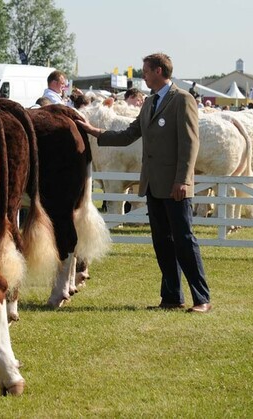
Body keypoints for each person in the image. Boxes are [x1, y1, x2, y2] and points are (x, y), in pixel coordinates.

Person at [76, 52, 212, 313]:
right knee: (162, 241)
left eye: (146, 71)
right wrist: (97, 133)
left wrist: (183, 180)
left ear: (160, 71)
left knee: (184, 240)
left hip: (176, 185)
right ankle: (172, 296)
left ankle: (201, 298)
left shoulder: (182, 100)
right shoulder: (149, 102)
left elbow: (189, 143)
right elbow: (130, 134)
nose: (144, 77)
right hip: (153, 184)